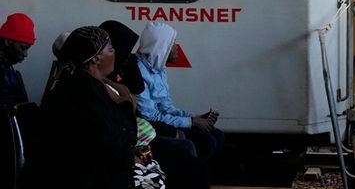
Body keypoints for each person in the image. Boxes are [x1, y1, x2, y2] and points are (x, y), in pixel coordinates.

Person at [36, 26, 138, 189]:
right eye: (110, 49)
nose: (115, 54)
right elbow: (107, 142)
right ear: (96, 58)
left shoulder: (80, 82)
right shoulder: (83, 91)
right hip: (83, 177)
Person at [136, 21, 223, 161]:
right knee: (206, 142)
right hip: (154, 128)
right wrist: (190, 122)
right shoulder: (139, 72)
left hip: (164, 123)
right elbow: (150, 116)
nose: (177, 48)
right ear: (161, 47)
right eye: (172, 44)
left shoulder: (159, 68)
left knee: (217, 134)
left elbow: (167, 107)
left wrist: (195, 117)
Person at [0, 12, 35, 114]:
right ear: (7, 41)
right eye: (23, 48)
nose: (25, 54)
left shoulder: (8, 68)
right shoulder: (3, 73)